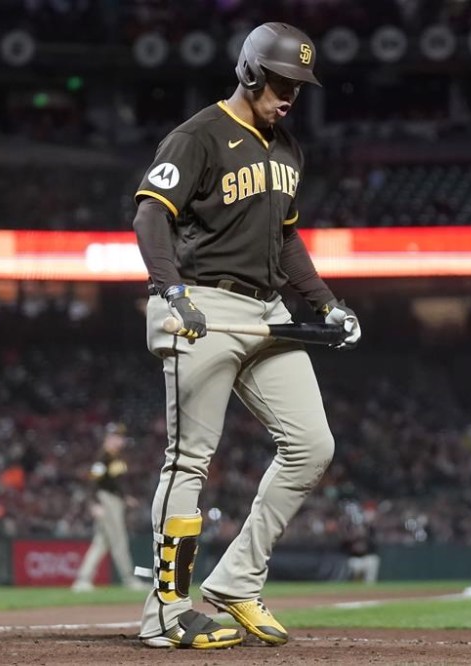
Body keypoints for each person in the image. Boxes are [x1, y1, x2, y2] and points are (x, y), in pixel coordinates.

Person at [130, 22, 361, 650]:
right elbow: (151, 213)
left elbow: (286, 240)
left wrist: (327, 303)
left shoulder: (287, 149)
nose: (290, 96)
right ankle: (165, 614)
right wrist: (172, 293)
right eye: (282, 82)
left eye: (298, 86)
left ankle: (236, 580)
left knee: (312, 445)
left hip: (266, 313)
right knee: (189, 460)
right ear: (251, 71)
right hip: (200, 304)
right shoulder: (199, 134)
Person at [71, 422, 146, 592]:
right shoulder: (103, 457)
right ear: (108, 438)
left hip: (115, 500)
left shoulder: (115, 457)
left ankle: (82, 579)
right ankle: (128, 579)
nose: (120, 440)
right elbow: (93, 481)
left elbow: (115, 483)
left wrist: (125, 497)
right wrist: (94, 504)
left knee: (101, 543)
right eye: (116, 437)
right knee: (119, 540)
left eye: (121, 437)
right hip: (106, 501)